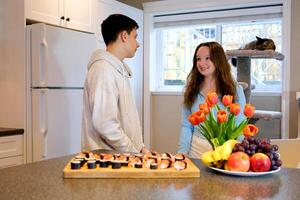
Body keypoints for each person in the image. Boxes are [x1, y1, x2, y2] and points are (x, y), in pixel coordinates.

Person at [82, 14, 147, 154]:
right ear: (124, 36)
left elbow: (127, 119)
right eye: (135, 37)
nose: (138, 43)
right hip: (107, 161)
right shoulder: (103, 70)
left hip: (121, 157)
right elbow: (105, 124)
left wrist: (140, 147)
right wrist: (133, 151)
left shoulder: (117, 69)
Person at [178, 41, 246, 158]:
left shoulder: (235, 90)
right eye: (198, 59)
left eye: (207, 58)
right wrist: (182, 152)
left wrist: (238, 152)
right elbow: (187, 125)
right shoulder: (191, 90)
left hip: (226, 151)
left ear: (218, 60)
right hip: (196, 150)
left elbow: (240, 124)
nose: (201, 63)